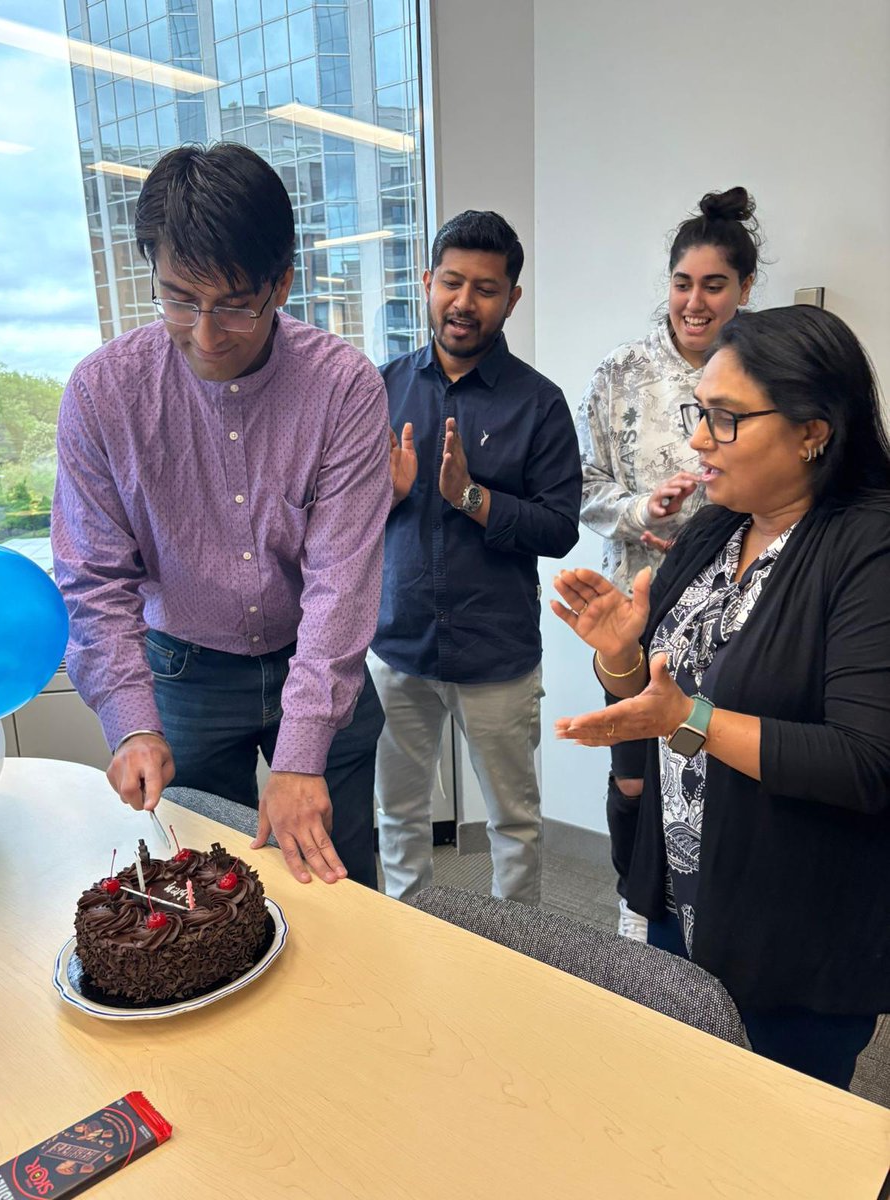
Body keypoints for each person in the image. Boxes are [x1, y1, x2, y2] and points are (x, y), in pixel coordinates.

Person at [552, 305, 890, 1088]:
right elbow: (654, 700)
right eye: (698, 413)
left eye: (727, 419)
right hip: (678, 888)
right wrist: (621, 660)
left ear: (815, 430)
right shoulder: (712, 532)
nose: (699, 439)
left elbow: (867, 761)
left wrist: (688, 721)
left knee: (777, 1139)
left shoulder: (868, 546)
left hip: (792, 927)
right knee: (675, 1110)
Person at [52, 144, 391, 888]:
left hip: (317, 660)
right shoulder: (103, 393)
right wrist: (131, 721)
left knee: (343, 880)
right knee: (205, 889)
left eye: (235, 304)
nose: (205, 334)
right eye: (178, 299)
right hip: (185, 672)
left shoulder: (344, 390)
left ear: (281, 284)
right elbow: (92, 577)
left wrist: (302, 757)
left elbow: (342, 583)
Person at [371, 210, 582, 904]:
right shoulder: (380, 388)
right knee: (397, 816)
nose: (464, 302)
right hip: (397, 645)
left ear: (511, 299)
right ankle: (406, 938)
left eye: (486, 288)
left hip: (497, 654)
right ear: (428, 282)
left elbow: (559, 527)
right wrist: (386, 495)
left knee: (513, 825)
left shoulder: (539, 404)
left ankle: (515, 962)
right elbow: (332, 517)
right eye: (452, 282)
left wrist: (473, 499)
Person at [577, 187, 762, 939]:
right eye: (682, 283)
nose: (695, 301)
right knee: (635, 774)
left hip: (743, 614)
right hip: (637, 618)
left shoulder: (763, 369)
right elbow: (585, 487)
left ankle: (722, 925)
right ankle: (638, 905)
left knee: (720, 766)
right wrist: (642, 511)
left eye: (714, 285)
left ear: (744, 290)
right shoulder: (621, 372)